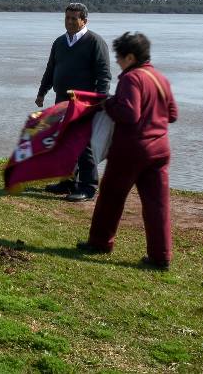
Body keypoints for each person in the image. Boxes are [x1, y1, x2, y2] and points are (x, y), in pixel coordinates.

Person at [77, 32, 178, 269]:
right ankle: (160, 256)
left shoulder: (131, 79)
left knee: (111, 196)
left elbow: (129, 114)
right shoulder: (160, 78)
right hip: (160, 150)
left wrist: (109, 103)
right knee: (158, 204)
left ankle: (100, 242)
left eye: (119, 57)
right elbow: (172, 115)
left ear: (130, 57)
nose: (117, 62)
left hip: (131, 150)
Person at [36, 3, 111, 201]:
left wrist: (99, 101)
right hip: (61, 100)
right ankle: (67, 182)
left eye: (73, 18)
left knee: (82, 143)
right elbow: (51, 69)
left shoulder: (95, 42)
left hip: (84, 103)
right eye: (66, 18)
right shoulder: (59, 42)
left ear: (84, 20)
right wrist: (42, 92)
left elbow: (104, 76)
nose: (69, 22)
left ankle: (88, 187)